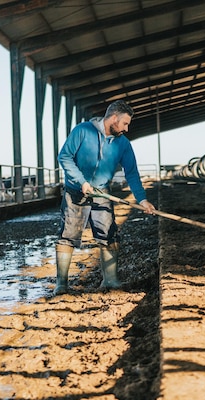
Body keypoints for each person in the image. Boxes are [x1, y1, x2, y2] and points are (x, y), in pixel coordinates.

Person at [54, 100, 155, 295]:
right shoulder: (82, 131)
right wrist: (82, 182)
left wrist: (142, 200)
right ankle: (62, 284)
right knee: (67, 235)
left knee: (108, 234)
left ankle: (110, 280)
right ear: (114, 118)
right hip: (76, 191)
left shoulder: (123, 144)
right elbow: (64, 157)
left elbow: (131, 173)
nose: (126, 128)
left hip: (102, 193)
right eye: (125, 123)